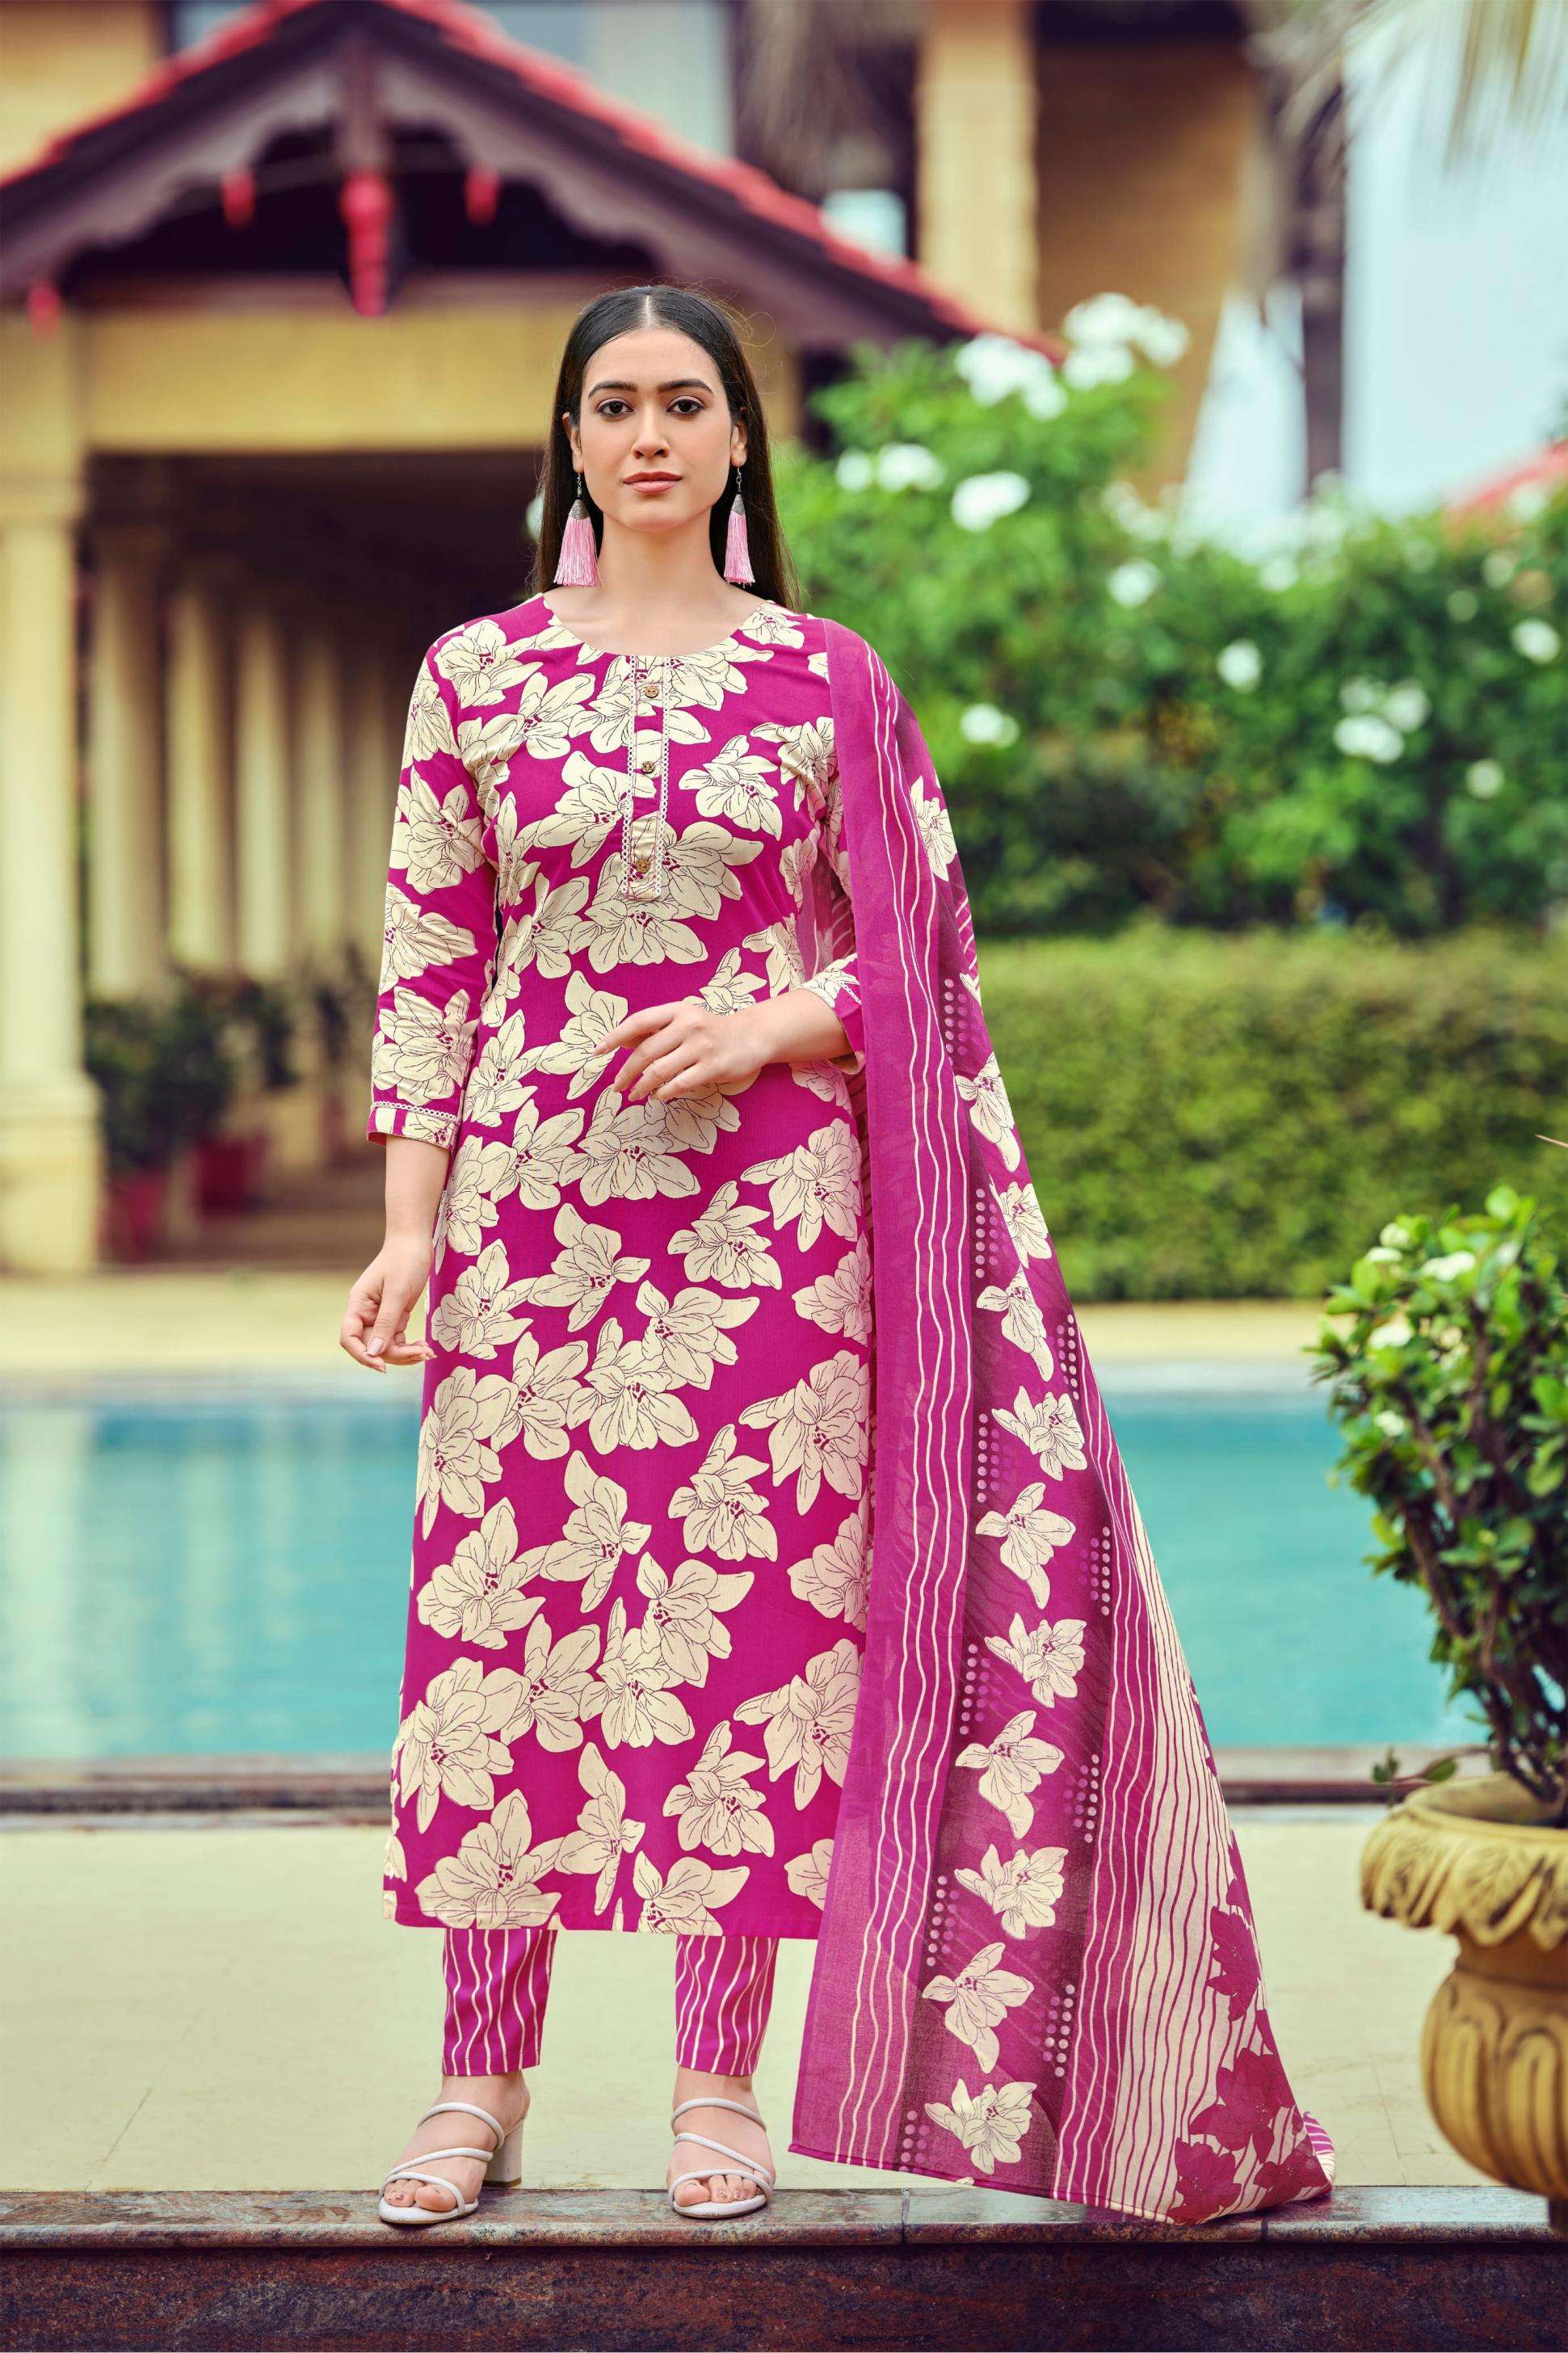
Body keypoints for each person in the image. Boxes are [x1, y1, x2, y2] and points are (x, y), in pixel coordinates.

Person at [343, 283, 1335, 2233]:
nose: (646, 435)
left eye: (680, 402)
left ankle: (717, 2081)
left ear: (737, 439)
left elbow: (925, 950)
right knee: (501, 1644)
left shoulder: (823, 679)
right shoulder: (476, 674)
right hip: (531, 1226)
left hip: (768, 1239)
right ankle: (479, 2080)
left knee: (741, 1648)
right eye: (612, 405)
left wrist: (773, 1025)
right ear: (570, 442)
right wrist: (407, 1223)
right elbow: (430, 954)